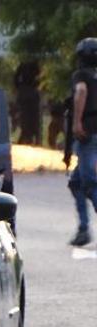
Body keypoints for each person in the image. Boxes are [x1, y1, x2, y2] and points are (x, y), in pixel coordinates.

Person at [68, 37, 97, 247]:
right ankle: (83, 228)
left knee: (88, 182)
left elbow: (81, 91)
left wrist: (77, 121)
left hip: (88, 133)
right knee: (76, 182)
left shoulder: (82, 75)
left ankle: (84, 228)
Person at [14, 61, 41, 145]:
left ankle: (30, 138)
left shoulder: (23, 65)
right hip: (29, 91)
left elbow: (16, 78)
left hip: (27, 92)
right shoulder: (34, 65)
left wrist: (19, 87)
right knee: (29, 117)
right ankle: (30, 138)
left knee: (28, 117)